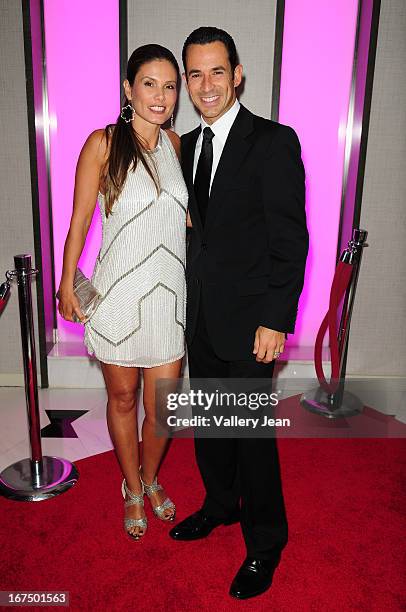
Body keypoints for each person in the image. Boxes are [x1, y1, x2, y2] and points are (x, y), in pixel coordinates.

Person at [169, 27, 309, 599]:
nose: (206, 85)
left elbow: (290, 239)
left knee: (251, 437)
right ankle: (220, 506)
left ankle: (265, 543)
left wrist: (277, 319)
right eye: (195, 74)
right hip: (200, 316)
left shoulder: (274, 141)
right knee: (211, 427)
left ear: (238, 74)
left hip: (253, 322)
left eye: (216, 72)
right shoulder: (182, 145)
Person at [57, 44, 188, 541]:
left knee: (163, 408)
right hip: (117, 295)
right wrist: (67, 281)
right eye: (149, 84)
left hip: (167, 297)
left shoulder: (177, 147)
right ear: (129, 89)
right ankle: (133, 487)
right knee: (124, 396)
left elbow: (184, 216)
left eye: (169, 85)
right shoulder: (103, 143)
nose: (160, 95)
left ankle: (152, 477)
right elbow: (79, 220)